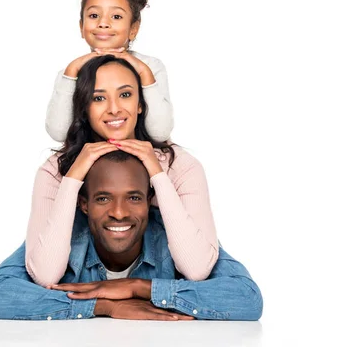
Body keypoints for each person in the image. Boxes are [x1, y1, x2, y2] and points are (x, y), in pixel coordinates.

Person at [0, 151, 263, 321]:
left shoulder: (177, 235)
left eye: (133, 198)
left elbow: (246, 298)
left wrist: (139, 288)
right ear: (84, 204)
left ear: (150, 200)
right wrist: (103, 307)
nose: (118, 212)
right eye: (103, 199)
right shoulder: (61, 234)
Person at [26, 55, 218, 286]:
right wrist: (73, 177)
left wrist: (157, 174)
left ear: (140, 103)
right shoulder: (55, 171)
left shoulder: (181, 167)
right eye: (98, 98)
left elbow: (197, 269)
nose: (114, 109)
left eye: (125, 95)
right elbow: (45, 276)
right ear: (84, 109)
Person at [45, 0, 173, 143]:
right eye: (93, 15)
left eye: (116, 16)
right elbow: (58, 133)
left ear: (133, 29)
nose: (103, 23)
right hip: (93, 159)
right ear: (81, 26)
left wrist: (144, 73)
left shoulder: (150, 66)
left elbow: (160, 133)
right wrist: (71, 72)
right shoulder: (70, 73)